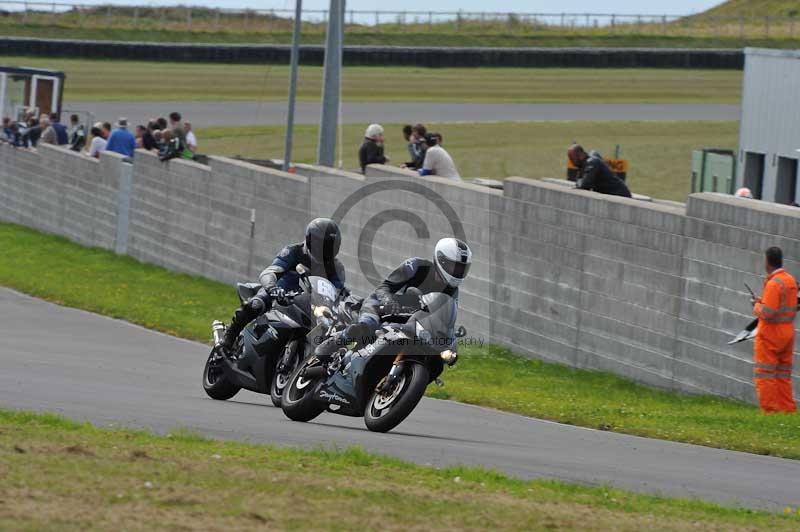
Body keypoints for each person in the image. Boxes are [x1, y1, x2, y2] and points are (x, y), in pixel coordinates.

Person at [315, 237, 472, 360]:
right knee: (367, 324)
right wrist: (389, 301)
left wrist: (449, 339)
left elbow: (444, 318)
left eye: (461, 269)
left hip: (410, 322)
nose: (457, 272)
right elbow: (384, 287)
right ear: (441, 260)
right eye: (454, 267)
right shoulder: (416, 266)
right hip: (381, 305)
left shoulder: (452, 291)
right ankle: (334, 343)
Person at [216, 218, 347, 354]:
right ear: (310, 240)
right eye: (321, 245)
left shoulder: (336, 268)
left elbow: (338, 293)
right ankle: (229, 337)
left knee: (327, 339)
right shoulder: (294, 251)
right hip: (280, 293)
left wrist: (347, 308)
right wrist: (272, 288)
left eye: (329, 246)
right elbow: (271, 271)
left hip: (310, 306)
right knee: (256, 304)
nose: (324, 250)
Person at [751, 247, 797, 414]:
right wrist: (763, 301)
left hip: (771, 334)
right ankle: (787, 409)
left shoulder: (773, 283)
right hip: (787, 333)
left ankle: (770, 410)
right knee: (783, 374)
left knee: (765, 373)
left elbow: (768, 313)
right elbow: (789, 305)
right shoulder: (790, 280)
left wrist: (756, 306)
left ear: (767, 261)